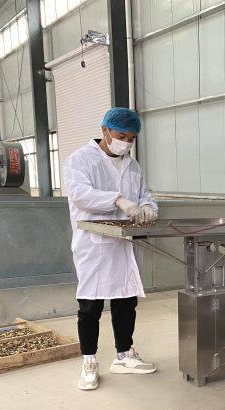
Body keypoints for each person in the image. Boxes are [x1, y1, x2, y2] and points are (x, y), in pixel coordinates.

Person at [65, 107, 159, 391]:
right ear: (105, 130)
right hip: (94, 245)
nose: (126, 143)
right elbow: (80, 194)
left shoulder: (133, 166)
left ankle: (124, 354)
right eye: (121, 136)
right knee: (90, 305)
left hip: (124, 243)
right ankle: (89, 361)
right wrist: (117, 199)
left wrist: (148, 206)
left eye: (131, 138)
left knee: (126, 300)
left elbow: (144, 194)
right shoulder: (80, 159)